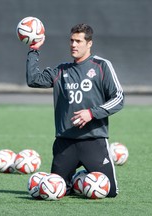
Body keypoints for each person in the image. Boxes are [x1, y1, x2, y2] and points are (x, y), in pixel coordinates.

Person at [26, 23, 124, 197]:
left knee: (110, 192)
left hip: (93, 141)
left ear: (89, 43)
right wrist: (34, 50)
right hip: (65, 143)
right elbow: (33, 80)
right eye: (71, 40)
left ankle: (83, 179)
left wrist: (92, 113)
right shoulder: (61, 70)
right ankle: (81, 180)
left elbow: (118, 98)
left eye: (78, 41)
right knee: (55, 192)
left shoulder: (102, 66)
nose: (73, 45)